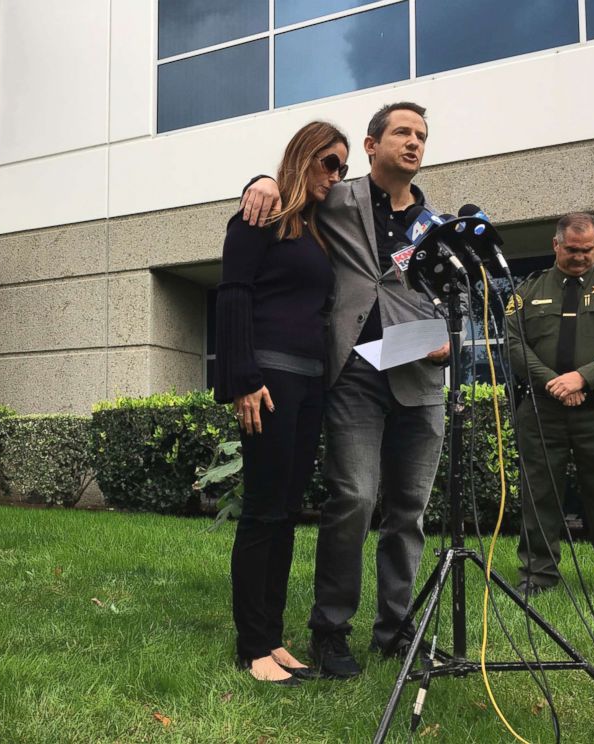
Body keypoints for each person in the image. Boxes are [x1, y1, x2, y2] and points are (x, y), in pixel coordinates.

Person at [240, 102, 449, 679]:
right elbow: (290, 186)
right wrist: (255, 181)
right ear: (372, 143)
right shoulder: (337, 197)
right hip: (354, 372)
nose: (413, 142)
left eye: (422, 136)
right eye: (402, 132)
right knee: (353, 497)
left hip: (420, 377)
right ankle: (331, 629)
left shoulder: (436, 226)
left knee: (409, 509)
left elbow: (461, 297)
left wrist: (454, 339)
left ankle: (395, 629)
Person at [214, 121, 347, 685]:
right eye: (328, 163)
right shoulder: (258, 215)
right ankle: (252, 648)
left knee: (287, 514)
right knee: (264, 511)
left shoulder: (316, 232)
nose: (335, 176)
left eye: (342, 167)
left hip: (310, 386)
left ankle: (271, 638)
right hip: (267, 381)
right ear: (302, 158)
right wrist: (242, 377)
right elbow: (233, 293)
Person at [506, 212, 594, 610]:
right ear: (556, 245)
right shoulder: (528, 290)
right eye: (572, 249)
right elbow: (514, 346)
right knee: (539, 494)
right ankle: (537, 575)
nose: (580, 257)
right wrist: (554, 381)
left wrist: (582, 378)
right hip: (542, 408)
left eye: (587, 250)